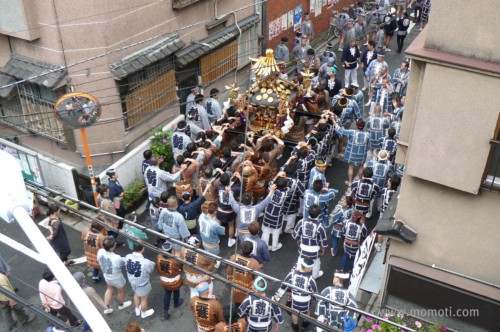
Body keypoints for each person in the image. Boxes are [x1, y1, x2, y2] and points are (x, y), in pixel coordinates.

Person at [275, 258, 318, 332]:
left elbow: (284, 285)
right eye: (310, 267)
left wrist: (289, 291)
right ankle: (305, 324)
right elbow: (315, 293)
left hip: (295, 299)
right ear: (307, 268)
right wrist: (314, 299)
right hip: (305, 301)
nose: (311, 269)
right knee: (306, 312)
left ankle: (295, 327)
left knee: (294, 314)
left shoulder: (292, 274)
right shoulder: (311, 279)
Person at [97, 236, 132, 312]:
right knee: (120, 291)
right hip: (117, 277)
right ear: (112, 247)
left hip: (107, 275)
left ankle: (106, 307)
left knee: (109, 288)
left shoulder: (100, 252)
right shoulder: (117, 258)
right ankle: (121, 305)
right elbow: (123, 263)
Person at [293, 204, 328, 279]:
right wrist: (323, 248)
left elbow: (295, 235)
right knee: (316, 263)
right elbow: (323, 241)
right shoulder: (320, 226)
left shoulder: (301, 222)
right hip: (314, 250)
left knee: (301, 260)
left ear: (308, 212)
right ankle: (314, 276)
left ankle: (299, 272)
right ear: (318, 214)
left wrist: (298, 240)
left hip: (303, 247)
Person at [335, 118, 371, 186]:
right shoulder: (367, 134)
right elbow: (368, 146)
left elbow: (341, 131)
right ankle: (360, 181)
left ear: (357, 125)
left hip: (352, 154)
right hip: (361, 154)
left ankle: (350, 182)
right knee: (361, 166)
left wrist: (334, 122)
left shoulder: (352, 132)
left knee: (351, 166)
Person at [125, 243, 155, 319]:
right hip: (143, 283)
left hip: (132, 282)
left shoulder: (128, 257)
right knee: (144, 299)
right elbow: (151, 269)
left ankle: (137, 309)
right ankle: (143, 313)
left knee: (136, 294)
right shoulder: (145, 262)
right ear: (143, 249)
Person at [227, 241, 262, 307]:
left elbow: (229, 272)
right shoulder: (254, 263)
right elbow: (257, 278)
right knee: (247, 305)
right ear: (251, 251)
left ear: (241, 250)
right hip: (247, 290)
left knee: (237, 304)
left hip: (235, 287)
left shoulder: (233, 257)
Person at [261, 176, 291, 252]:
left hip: (268, 212)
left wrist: (277, 178)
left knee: (266, 231)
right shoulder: (285, 194)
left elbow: (271, 182)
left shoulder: (270, 189)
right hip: (277, 216)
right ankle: (274, 246)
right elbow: (289, 189)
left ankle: (265, 246)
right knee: (276, 232)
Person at [157, 242, 184, 319]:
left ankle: (165, 311)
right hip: (174, 281)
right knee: (176, 291)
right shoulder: (175, 260)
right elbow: (180, 268)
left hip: (164, 280)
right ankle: (176, 303)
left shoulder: (159, 257)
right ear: (171, 250)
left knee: (167, 293)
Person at [199, 202, 225, 268]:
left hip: (204, 241)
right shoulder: (214, 224)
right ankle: (213, 266)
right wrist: (219, 223)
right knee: (213, 258)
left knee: (207, 254)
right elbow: (222, 232)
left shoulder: (201, 217)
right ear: (215, 212)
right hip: (212, 245)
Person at [216, 173, 239, 247]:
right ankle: (230, 240)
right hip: (229, 212)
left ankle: (216, 238)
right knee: (231, 226)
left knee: (218, 224)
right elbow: (243, 188)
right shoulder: (234, 189)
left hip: (220, 210)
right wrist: (240, 178)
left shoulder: (219, 187)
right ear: (229, 180)